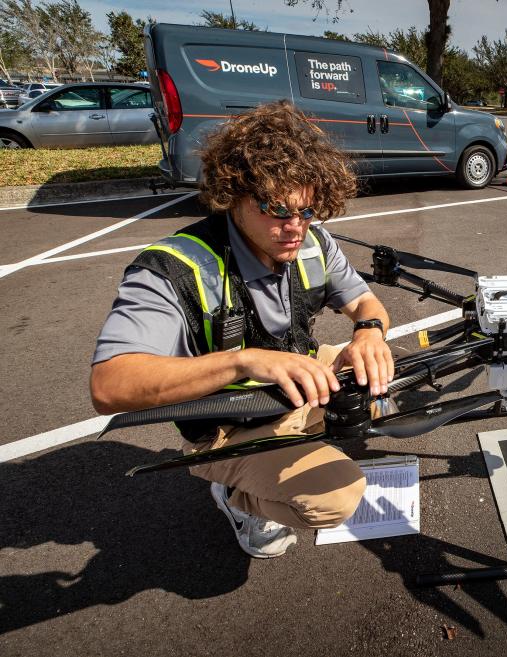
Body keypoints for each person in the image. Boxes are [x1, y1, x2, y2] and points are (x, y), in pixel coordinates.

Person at [90, 100, 394, 558]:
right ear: (233, 194)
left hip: (292, 389)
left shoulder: (311, 240)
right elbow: (110, 385)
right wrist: (243, 361)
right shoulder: (173, 268)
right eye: (276, 209)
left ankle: (294, 440)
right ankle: (237, 497)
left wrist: (369, 332)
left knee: (387, 377)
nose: (295, 228)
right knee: (338, 496)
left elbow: (365, 302)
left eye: (308, 210)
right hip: (227, 425)